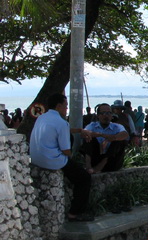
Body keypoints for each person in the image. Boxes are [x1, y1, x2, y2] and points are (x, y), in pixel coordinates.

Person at [29, 93, 94, 222]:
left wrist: (80, 130)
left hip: (35, 158)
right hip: (52, 160)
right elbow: (67, 151)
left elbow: (62, 130)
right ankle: (75, 213)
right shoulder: (61, 122)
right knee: (84, 178)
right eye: (65, 106)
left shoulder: (41, 118)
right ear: (59, 106)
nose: (66, 109)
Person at [80, 103, 130, 173]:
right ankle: (88, 166)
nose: (106, 115)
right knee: (88, 137)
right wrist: (102, 135)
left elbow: (125, 134)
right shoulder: (93, 126)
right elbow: (83, 133)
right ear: (98, 115)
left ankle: (101, 165)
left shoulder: (117, 126)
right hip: (96, 159)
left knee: (118, 141)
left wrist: (113, 138)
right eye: (103, 113)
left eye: (109, 113)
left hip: (111, 162)